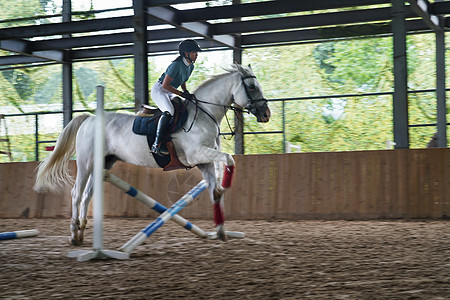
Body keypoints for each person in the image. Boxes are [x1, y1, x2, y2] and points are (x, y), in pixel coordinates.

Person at [150, 39, 201, 156]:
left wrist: (186, 91)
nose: (197, 55)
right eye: (194, 52)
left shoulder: (190, 66)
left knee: (183, 107)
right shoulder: (176, 65)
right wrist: (182, 94)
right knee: (169, 111)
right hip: (160, 90)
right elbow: (165, 85)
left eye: (197, 52)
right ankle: (156, 144)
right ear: (186, 53)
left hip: (170, 91)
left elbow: (183, 80)